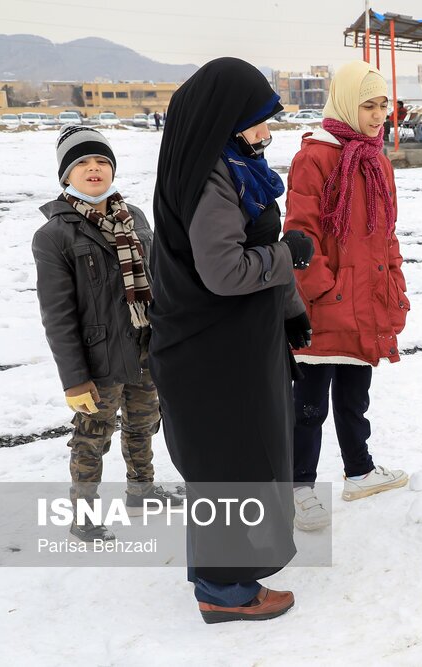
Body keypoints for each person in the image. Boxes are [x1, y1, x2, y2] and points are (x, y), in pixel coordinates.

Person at [149, 57, 315, 624]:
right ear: (225, 120)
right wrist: (288, 254)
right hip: (213, 355)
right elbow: (225, 272)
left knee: (236, 462)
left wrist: (289, 310)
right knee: (231, 465)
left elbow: (254, 257)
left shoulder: (229, 165)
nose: (267, 133)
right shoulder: (210, 179)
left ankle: (225, 582)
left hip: (235, 345)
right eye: (259, 121)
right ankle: (225, 594)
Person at [32, 126, 182, 543]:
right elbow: (58, 315)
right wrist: (74, 378)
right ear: (66, 175)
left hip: (147, 345)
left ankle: (142, 490)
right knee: (92, 436)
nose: (93, 169)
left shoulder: (134, 216)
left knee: (144, 421)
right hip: (98, 358)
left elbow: (158, 278)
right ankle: (82, 514)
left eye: (101, 161)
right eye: (81, 162)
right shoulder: (54, 235)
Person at [283, 60, 410, 531]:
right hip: (326, 305)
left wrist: (393, 286)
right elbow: (300, 234)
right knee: (310, 406)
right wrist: (324, 291)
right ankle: (300, 488)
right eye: (369, 105)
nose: (379, 115)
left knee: (355, 397)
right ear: (345, 103)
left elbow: (387, 234)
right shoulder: (315, 157)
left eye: (383, 105)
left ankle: (359, 469)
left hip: (368, 300)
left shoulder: (376, 159)